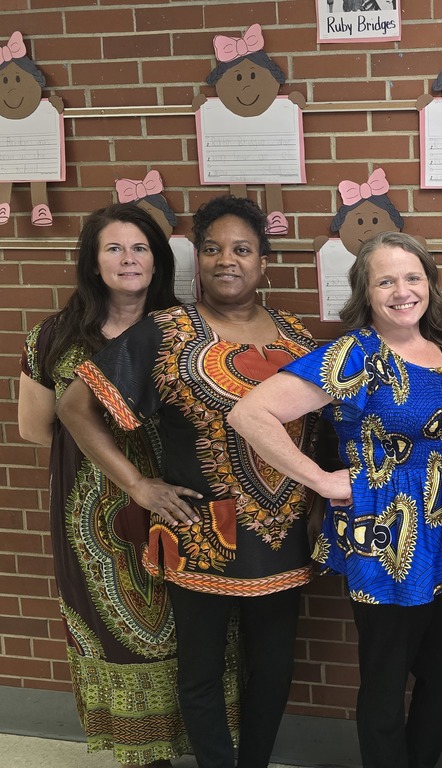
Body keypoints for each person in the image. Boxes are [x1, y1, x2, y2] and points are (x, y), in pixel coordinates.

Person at [56, 195, 318, 768]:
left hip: (285, 535)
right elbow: (75, 406)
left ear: (265, 262)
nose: (227, 260)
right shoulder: (166, 331)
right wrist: (139, 486)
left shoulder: (297, 338)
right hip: (201, 536)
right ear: (196, 260)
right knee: (201, 670)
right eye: (213, 249)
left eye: (243, 249)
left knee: (274, 668)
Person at [228, 231, 442, 768]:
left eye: (412, 277)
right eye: (386, 280)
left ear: (430, 283)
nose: (402, 290)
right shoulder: (356, 355)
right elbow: (249, 414)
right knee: (386, 673)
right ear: (366, 292)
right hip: (386, 533)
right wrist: (324, 482)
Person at [18, 204, 182, 768]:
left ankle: (193, 745)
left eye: (139, 247)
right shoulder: (53, 338)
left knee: (187, 633)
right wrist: (111, 468)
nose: (128, 259)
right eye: (113, 248)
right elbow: (35, 429)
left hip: (176, 510)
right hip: (90, 526)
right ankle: (140, 754)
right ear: (93, 260)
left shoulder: (183, 330)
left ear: (157, 261)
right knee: (115, 634)